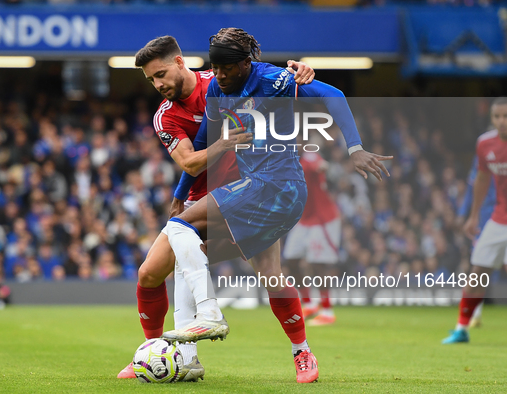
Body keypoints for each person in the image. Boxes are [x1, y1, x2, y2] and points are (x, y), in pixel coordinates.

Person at [160, 27, 392, 383]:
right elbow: (205, 141)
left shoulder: (272, 79)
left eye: (227, 68)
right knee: (265, 274)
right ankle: (303, 353)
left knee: (179, 231)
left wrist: (354, 148)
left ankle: (209, 317)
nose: (219, 75)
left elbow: (333, 95)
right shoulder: (218, 95)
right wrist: (180, 192)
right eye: (215, 67)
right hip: (270, 193)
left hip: (274, 186)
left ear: (245, 64)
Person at [116, 35, 315, 381]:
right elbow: (191, 163)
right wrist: (195, 175)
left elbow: (272, 80)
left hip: (253, 192)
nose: (158, 84)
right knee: (150, 273)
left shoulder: (221, 80)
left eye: (161, 74)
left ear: (180, 62)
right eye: (151, 80)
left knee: (271, 275)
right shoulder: (166, 117)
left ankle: (302, 352)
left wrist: (302, 72)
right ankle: (155, 353)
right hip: (205, 202)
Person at [442, 97, 507, 344]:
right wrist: (473, 216)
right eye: (497, 116)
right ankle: (462, 329)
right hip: (498, 219)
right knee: (477, 273)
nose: (502, 121)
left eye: (506, 116)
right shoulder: (485, 144)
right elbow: (481, 179)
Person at [282, 151, 341, 326]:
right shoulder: (283, 162)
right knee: (291, 258)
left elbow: (320, 164)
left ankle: (327, 311)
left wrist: (324, 167)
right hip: (304, 218)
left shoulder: (308, 157)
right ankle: (309, 303)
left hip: (322, 218)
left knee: (317, 263)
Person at [455, 155, 497, 328]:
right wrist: (464, 213)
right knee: (480, 268)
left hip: (500, 214)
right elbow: (474, 185)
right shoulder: (484, 152)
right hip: (485, 216)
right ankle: (475, 313)